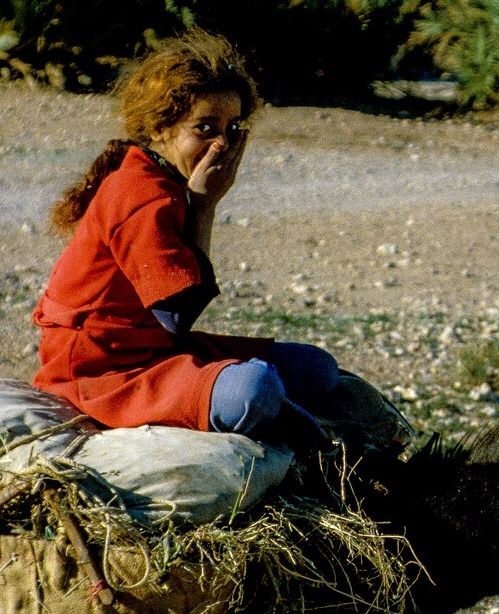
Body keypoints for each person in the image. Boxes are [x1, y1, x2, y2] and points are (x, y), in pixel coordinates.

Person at [32, 28, 339, 446]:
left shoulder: (164, 178)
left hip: (149, 349)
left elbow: (171, 325)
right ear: (161, 127)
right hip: (100, 369)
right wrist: (205, 204)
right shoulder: (141, 191)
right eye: (205, 128)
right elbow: (176, 315)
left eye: (231, 129)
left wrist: (199, 202)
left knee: (316, 368)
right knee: (255, 389)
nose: (221, 144)